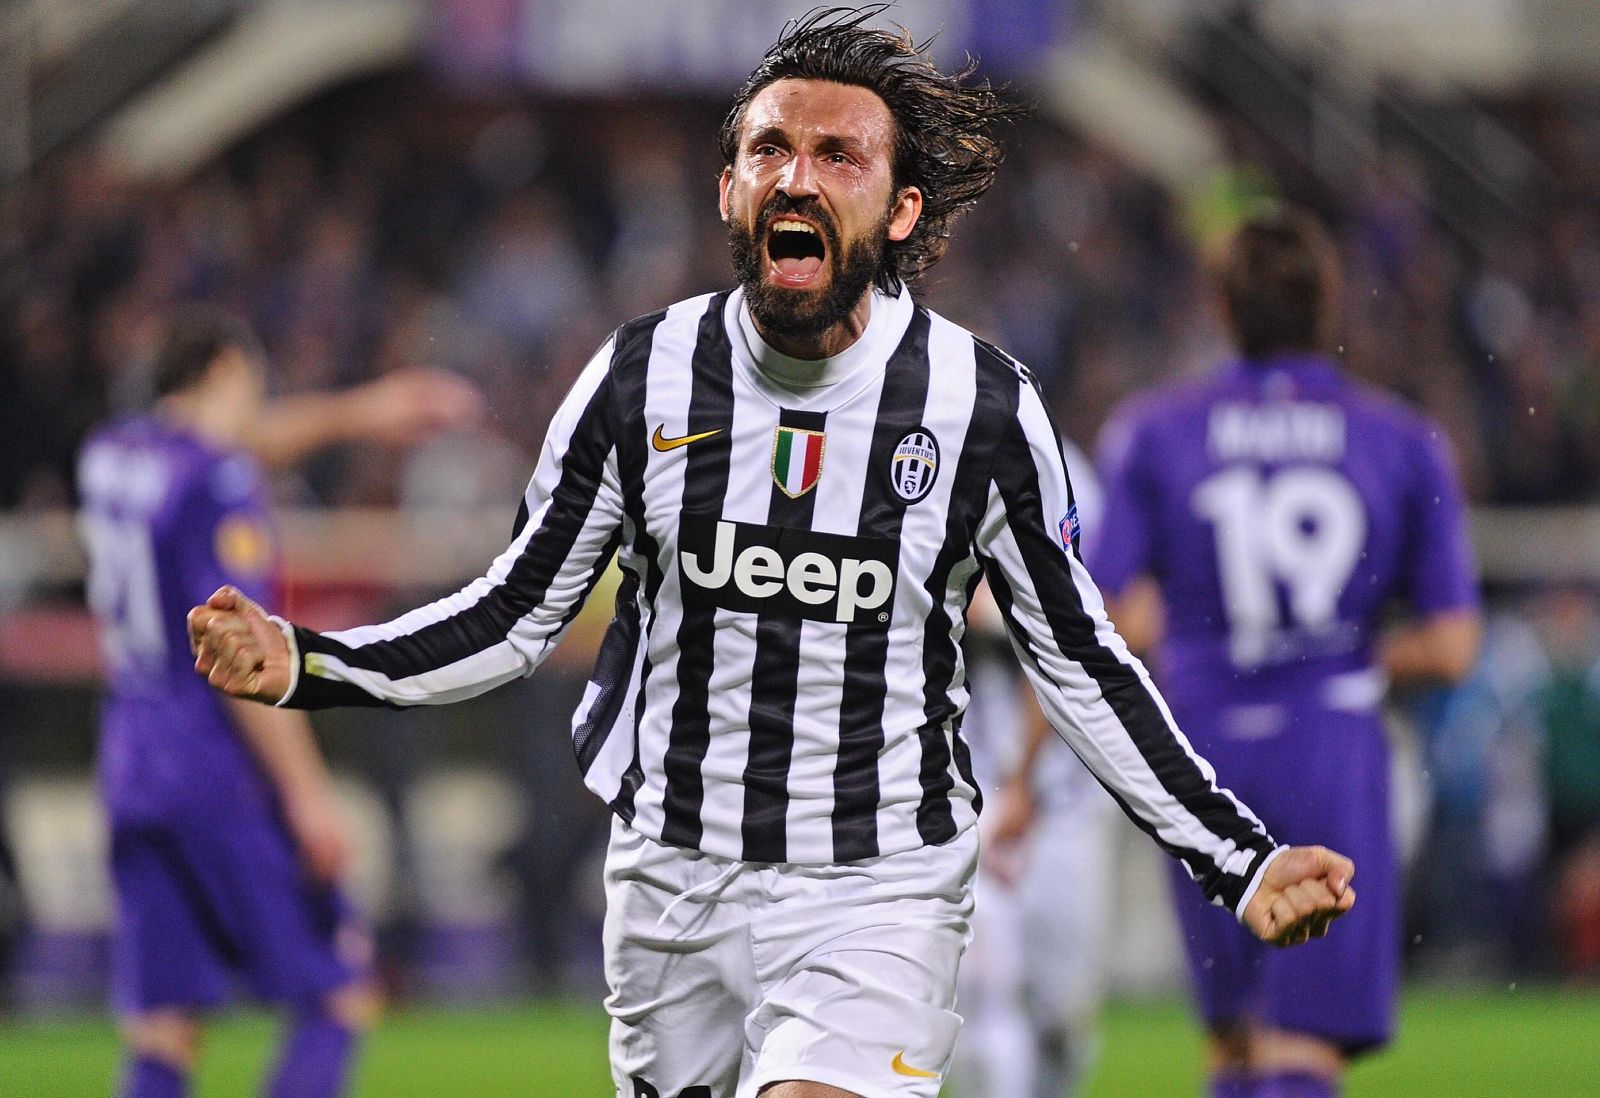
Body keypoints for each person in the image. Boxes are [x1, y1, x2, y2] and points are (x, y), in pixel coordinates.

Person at [188, 12, 1356, 1098]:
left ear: (900, 210)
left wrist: (1239, 862)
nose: (798, 175)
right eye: (770, 150)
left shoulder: (979, 410)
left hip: (877, 882)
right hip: (668, 886)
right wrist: (311, 662)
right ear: (729, 189)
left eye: (839, 155)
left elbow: (1082, 662)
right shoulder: (639, 379)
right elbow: (516, 616)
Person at [1089, 207, 1482, 1098]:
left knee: (1233, 1038)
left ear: (1223, 311)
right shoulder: (1399, 437)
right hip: (1330, 745)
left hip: (1196, 754)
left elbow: (1104, 613)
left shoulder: (1157, 430)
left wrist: (1197, 632)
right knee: (1302, 1042)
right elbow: (1454, 645)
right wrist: (1358, 659)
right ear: (1328, 309)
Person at [78, 307, 481, 1098]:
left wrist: (367, 410)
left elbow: (242, 441)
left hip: (131, 763)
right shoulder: (220, 481)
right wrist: (308, 799)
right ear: (228, 370)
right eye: (254, 386)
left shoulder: (113, 454)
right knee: (340, 988)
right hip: (213, 770)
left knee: (164, 1024)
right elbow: (241, 662)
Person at [950, 439, 1117, 1098]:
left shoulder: (1077, 478)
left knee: (1064, 1017)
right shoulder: (919, 450)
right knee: (982, 1003)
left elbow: (1085, 629)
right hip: (961, 784)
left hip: (1067, 795)